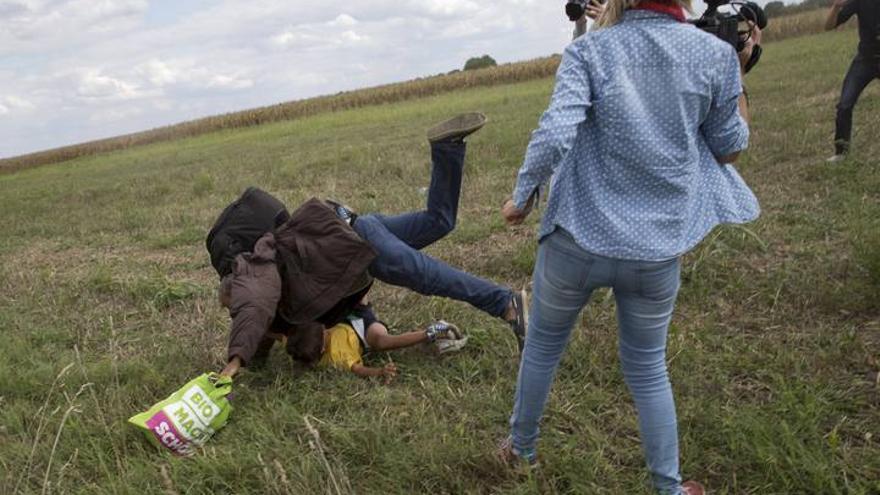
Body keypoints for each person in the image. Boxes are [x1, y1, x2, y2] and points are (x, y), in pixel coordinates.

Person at [498, 0, 762, 493]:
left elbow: (555, 132)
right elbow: (730, 148)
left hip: (576, 239)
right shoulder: (714, 54)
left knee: (543, 349)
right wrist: (739, 72)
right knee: (647, 368)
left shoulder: (589, 51)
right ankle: (668, 487)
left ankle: (521, 449)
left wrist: (522, 196)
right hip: (656, 251)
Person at [218, 113, 527, 378]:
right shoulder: (276, 277)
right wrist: (251, 361)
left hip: (358, 243)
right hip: (355, 226)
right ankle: (447, 148)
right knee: (438, 221)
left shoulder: (252, 271)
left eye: (230, 306)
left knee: (421, 273)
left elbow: (253, 305)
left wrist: (232, 363)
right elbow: (260, 325)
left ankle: (505, 303)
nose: (231, 311)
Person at [314, 300, 466, 380]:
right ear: (322, 348)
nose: (326, 333)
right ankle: (435, 330)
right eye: (324, 334)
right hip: (362, 331)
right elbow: (359, 370)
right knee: (382, 341)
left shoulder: (299, 341)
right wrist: (380, 372)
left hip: (334, 313)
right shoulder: (337, 357)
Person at [824, 0, 879, 162]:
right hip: (865, 60)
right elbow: (828, 26)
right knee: (844, 105)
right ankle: (841, 153)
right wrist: (836, 6)